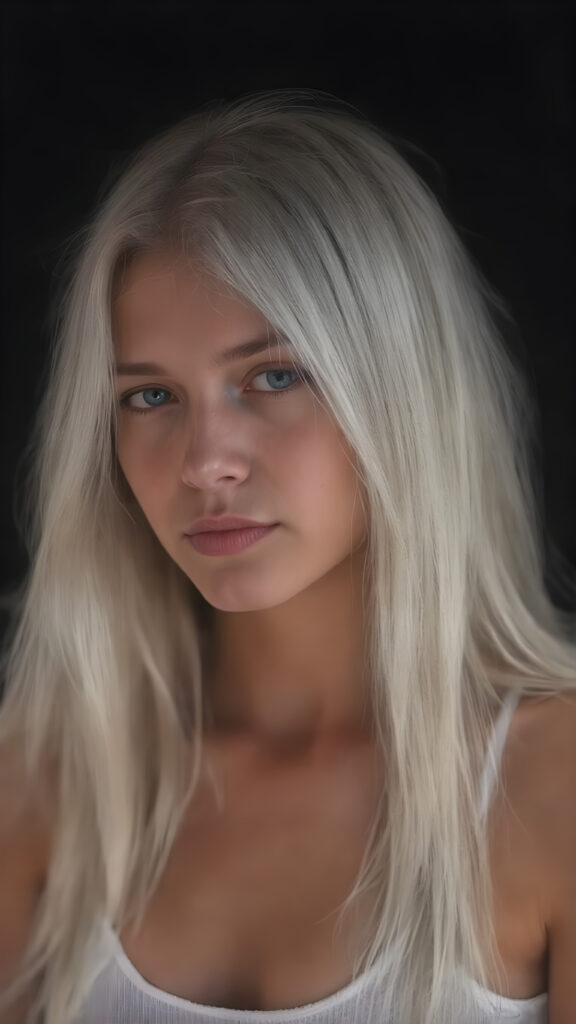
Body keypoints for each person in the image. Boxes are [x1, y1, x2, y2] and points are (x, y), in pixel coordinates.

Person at [0, 88, 575, 1024]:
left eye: (274, 376)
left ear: (399, 389)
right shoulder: (46, 785)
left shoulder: (553, 787)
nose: (204, 462)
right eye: (150, 397)